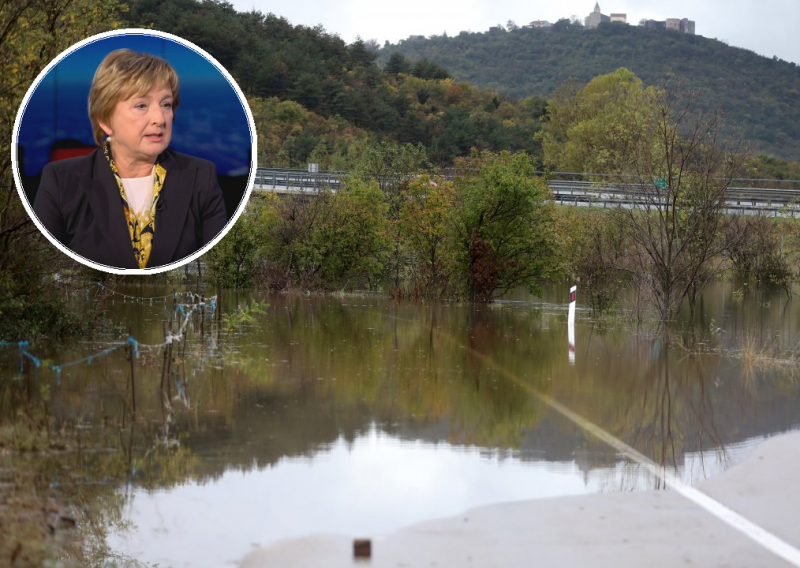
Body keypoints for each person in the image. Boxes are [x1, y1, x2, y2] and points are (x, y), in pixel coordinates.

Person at [33, 49, 228, 269]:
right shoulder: (61, 181)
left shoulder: (200, 177)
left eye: (166, 105)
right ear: (106, 120)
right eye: (141, 105)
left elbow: (219, 265)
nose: (159, 119)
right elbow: (41, 267)